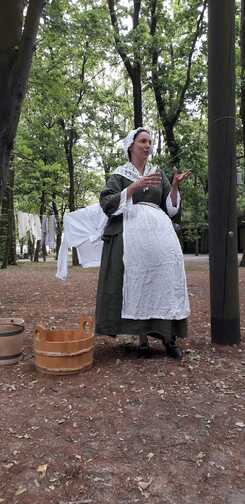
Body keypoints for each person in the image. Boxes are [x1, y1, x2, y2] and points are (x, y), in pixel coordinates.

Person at [95, 127, 191, 359]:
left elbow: (171, 208)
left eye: (150, 141)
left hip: (161, 238)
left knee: (164, 282)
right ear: (131, 146)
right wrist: (134, 186)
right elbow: (107, 203)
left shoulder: (158, 173)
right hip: (131, 239)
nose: (148, 145)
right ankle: (142, 340)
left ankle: (169, 338)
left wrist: (175, 186)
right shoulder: (120, 175)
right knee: (138, 284)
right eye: (143, 141)